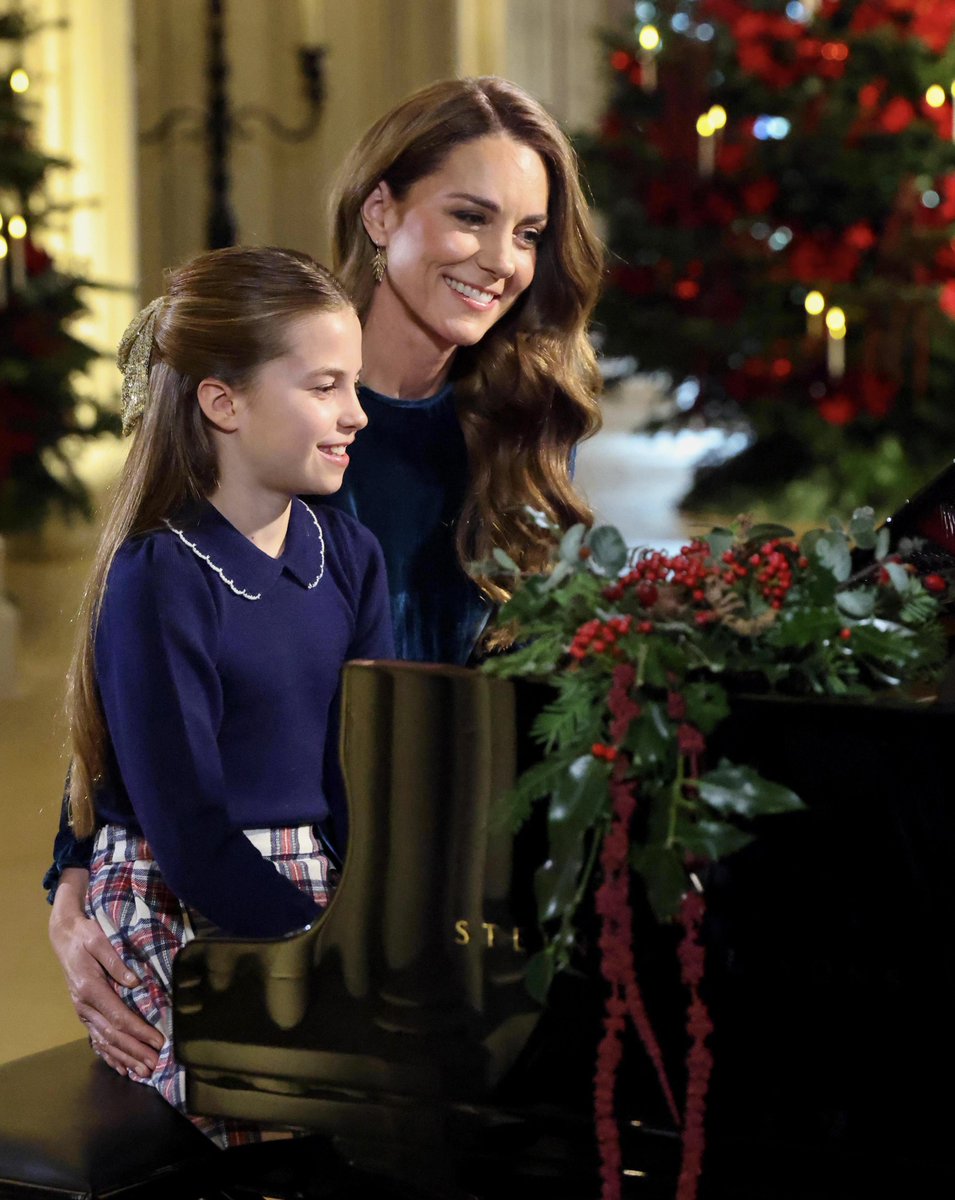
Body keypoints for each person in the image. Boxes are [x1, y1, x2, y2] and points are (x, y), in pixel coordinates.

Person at [46, 76, 604, 1087]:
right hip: (293, 884)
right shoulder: (264, 406)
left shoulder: (520, 426)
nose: (501, 260)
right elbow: (150, 667)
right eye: (469, 217)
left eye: (527, 232)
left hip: (445, 866)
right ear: (380, 211)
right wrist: (74, 869)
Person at [63, 245, 393, 1145]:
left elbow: (364, 778)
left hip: (317, 888)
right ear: (224, 402)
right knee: (272, 1117)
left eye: (354, 383)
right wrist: (325, 959)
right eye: (324, 386)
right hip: (180, 897)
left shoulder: (351, 557)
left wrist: (374, 930)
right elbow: (189, 832)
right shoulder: (160, 576)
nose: (356, 413)